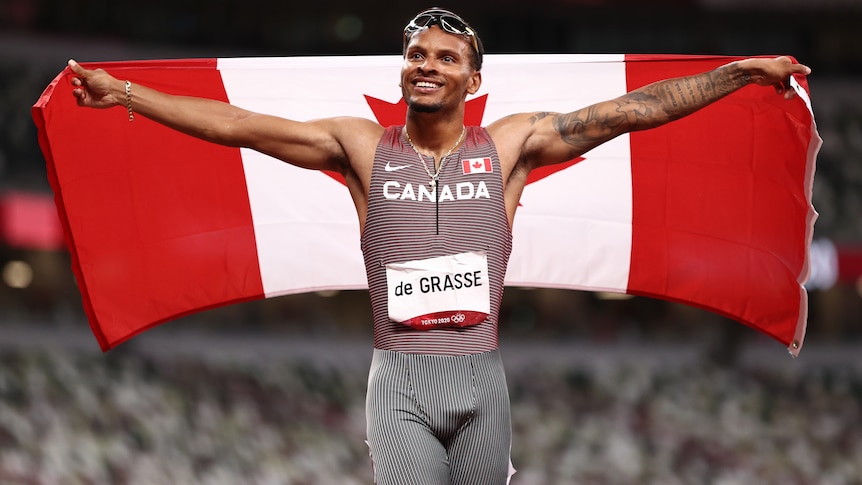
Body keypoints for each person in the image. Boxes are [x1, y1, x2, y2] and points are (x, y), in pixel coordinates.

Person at [67, 7, 811, 485]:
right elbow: (236, 125)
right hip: (400, 386)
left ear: (472, 78)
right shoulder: (360, 145)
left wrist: (738, 73)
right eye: (416, 53)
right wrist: (124, 94)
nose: (426, 64)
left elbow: (630, 112)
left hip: (483, 387)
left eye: (445, 57)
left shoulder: (512, 145)